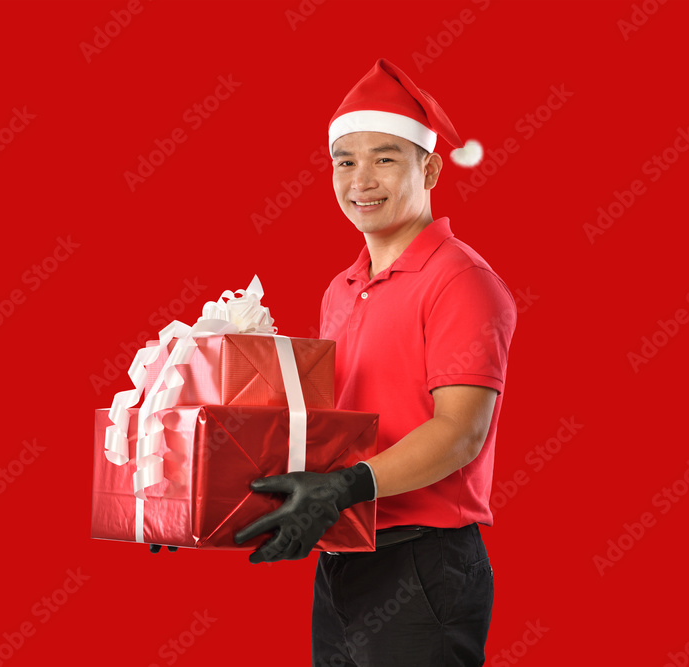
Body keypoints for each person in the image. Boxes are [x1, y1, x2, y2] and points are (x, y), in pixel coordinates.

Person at [234, 58, 517, 666]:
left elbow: (460, 432)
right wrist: (206, 501)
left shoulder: (460, 280)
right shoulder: (340, 288)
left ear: (431, 167)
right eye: (345, 161)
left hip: (423, 564)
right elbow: (328, 430)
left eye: (385, 157)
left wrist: (344, 487)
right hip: (344, 556)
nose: (361, 179)